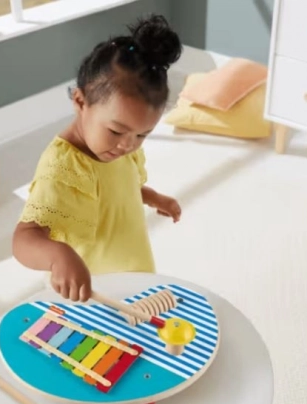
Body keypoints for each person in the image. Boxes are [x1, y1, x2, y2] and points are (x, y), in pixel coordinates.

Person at [12, 14, 183, 303]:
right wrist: (58, 257)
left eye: (142, 135)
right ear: (80, 102)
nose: (128, 145)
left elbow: (118, 189)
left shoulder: (118, 148)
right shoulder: (63, 167)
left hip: (133, 274)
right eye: (117, 130)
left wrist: (153, 197)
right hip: (90, 293)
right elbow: (24, 238)